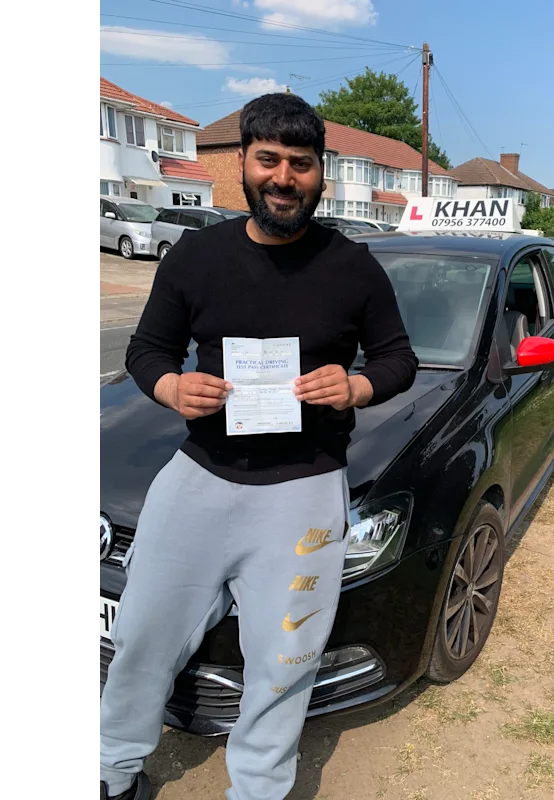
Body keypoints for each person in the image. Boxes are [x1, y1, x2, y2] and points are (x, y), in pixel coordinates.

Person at [98, 92, 418, 800]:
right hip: (200, 478)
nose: (283, 177)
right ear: (242, 162)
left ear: (320, 172)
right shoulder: (197, 256)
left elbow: (398, 358)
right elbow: (148, 350)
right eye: (268, 159)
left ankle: (258, 789)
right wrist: (172, 388)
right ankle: (113, 769)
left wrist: (357, 386)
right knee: (143, 636)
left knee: (284, 659)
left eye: (300, 164)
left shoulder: (353, 267)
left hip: (303, 490)